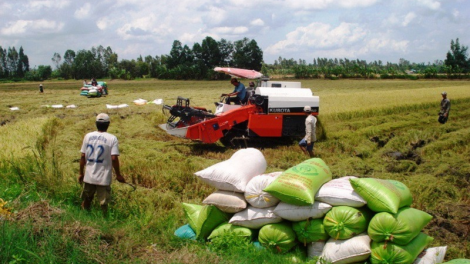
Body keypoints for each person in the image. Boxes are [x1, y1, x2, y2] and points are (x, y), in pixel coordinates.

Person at [79, 113, 125, 216]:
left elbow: (83, 156)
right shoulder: (112, 138)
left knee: (87, 199)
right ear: (108, 124)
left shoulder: (88, 136)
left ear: (96, 124)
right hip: (103, 177)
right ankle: (105, 220)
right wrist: (118, 175)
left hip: (89, 176)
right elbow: (114, 158)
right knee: (103, 203)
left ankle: (84, 217)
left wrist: (81, 173)